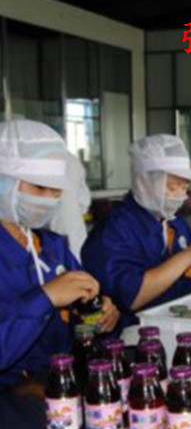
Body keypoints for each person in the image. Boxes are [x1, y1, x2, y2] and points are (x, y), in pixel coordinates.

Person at [0, 120, 119, 386]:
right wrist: (45, 298)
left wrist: (100, 315)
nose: (48, 199)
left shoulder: (53, 247)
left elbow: (76, 321)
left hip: (60, 381)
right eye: (39, 188)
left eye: (56, 191)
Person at [82, 134, 191, 332]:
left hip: (178, 328)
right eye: (172, 187)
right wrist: (188, 257)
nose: (180, 196)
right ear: (143, 183)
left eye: (184, 187)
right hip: (135, 336)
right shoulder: (114, 232)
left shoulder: (176, 224)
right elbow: (131, 297)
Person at [49, 152, 90, 261]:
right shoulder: (71, 160)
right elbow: (84, 203)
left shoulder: (26, 158)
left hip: (62, 233)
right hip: (72, 231)